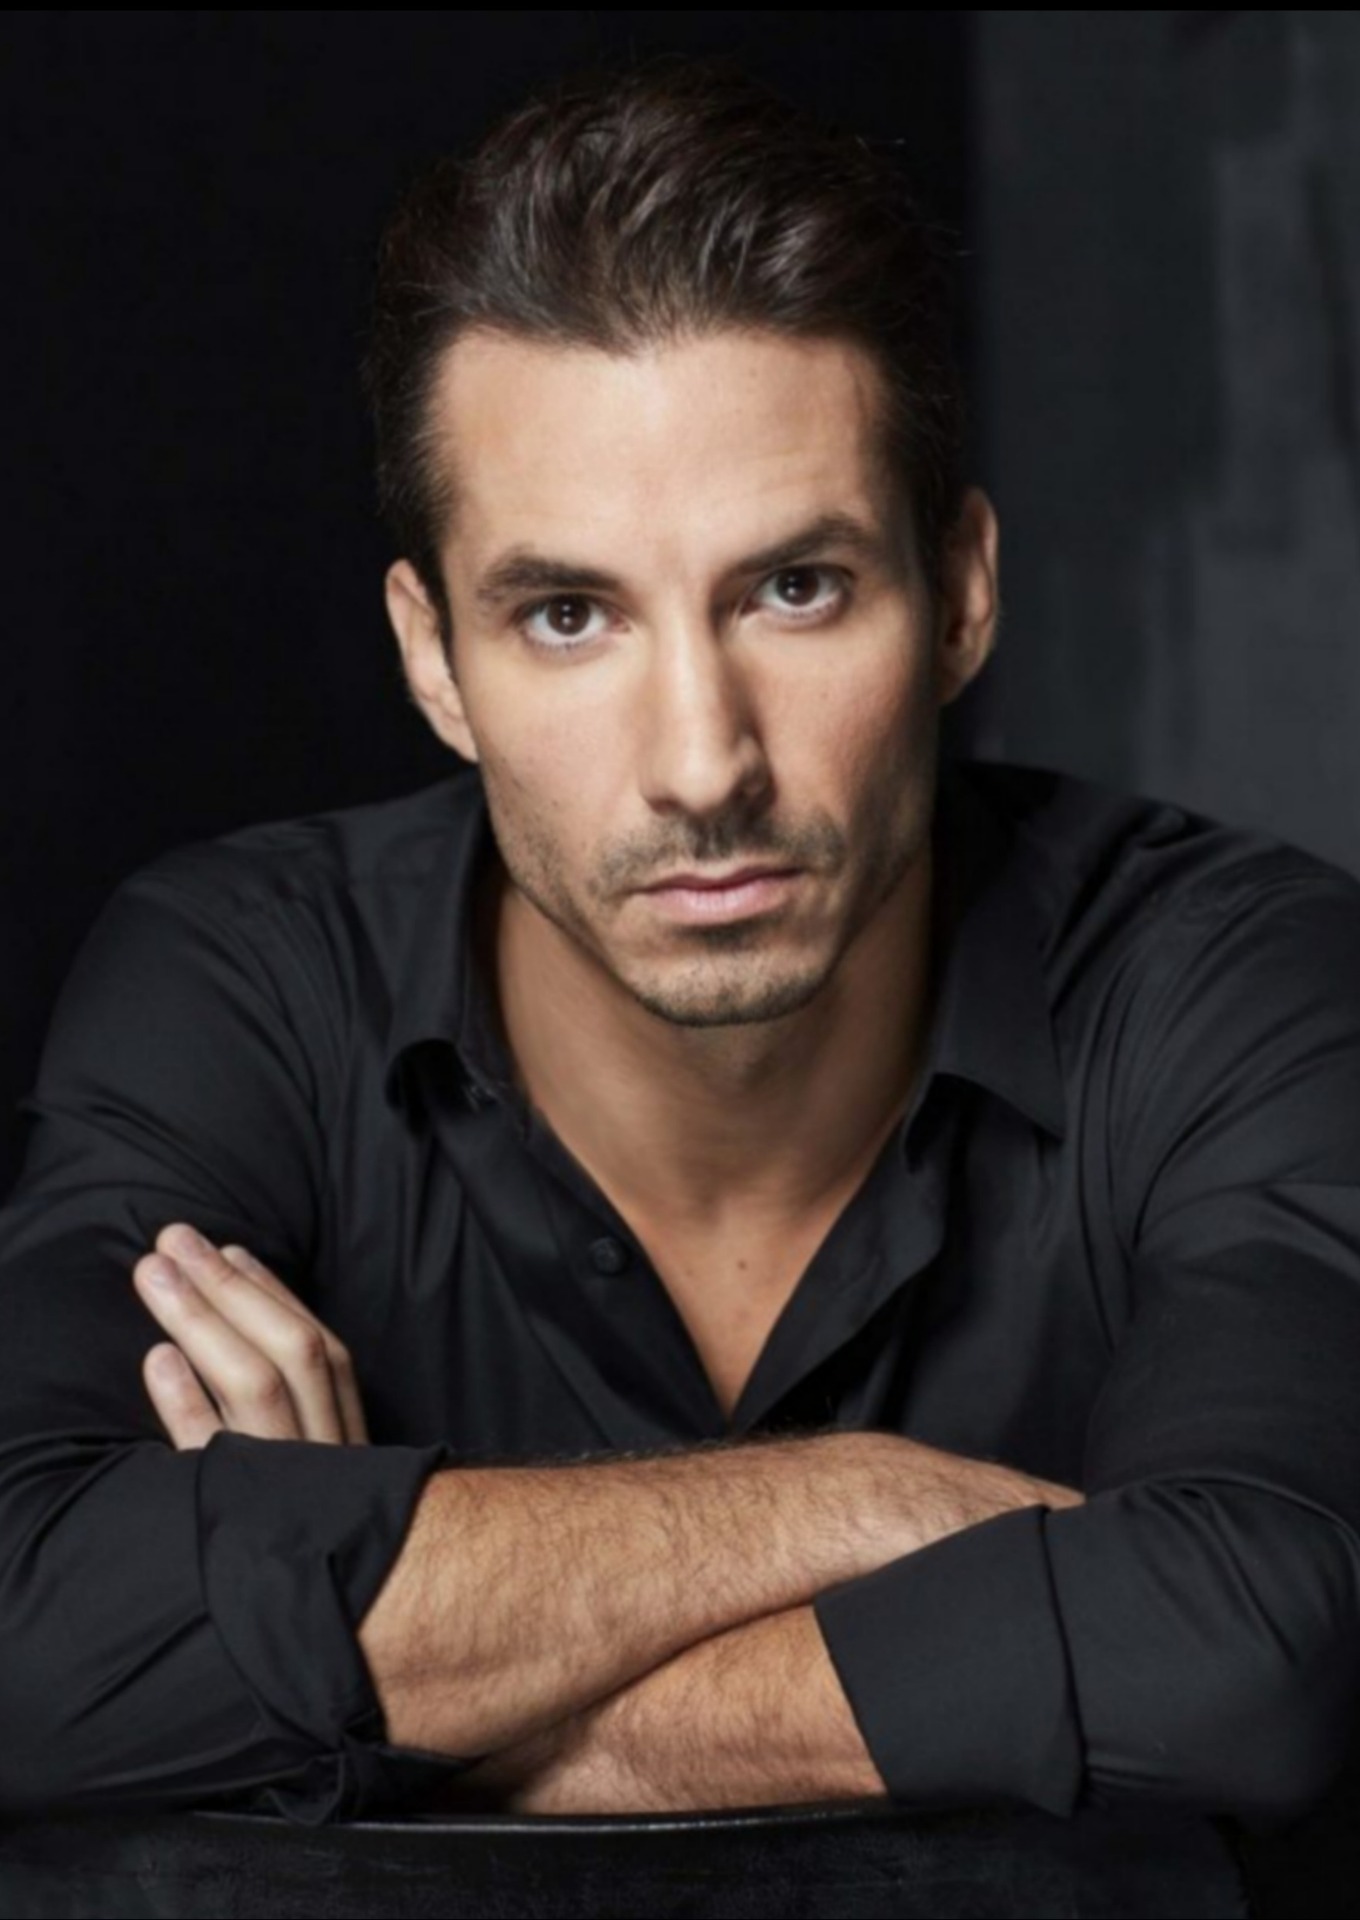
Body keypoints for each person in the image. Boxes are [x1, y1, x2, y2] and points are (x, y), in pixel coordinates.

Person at [2, 54, 1360, 1842]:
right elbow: (25, 1623)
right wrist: (862, 1505)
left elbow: (1257, 1652)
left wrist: (390, 1682)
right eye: (569, 615)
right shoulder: (245, 982)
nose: (704, 764)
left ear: (960, 593)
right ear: (433, 661)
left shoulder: (1234, 983)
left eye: (795, 589)